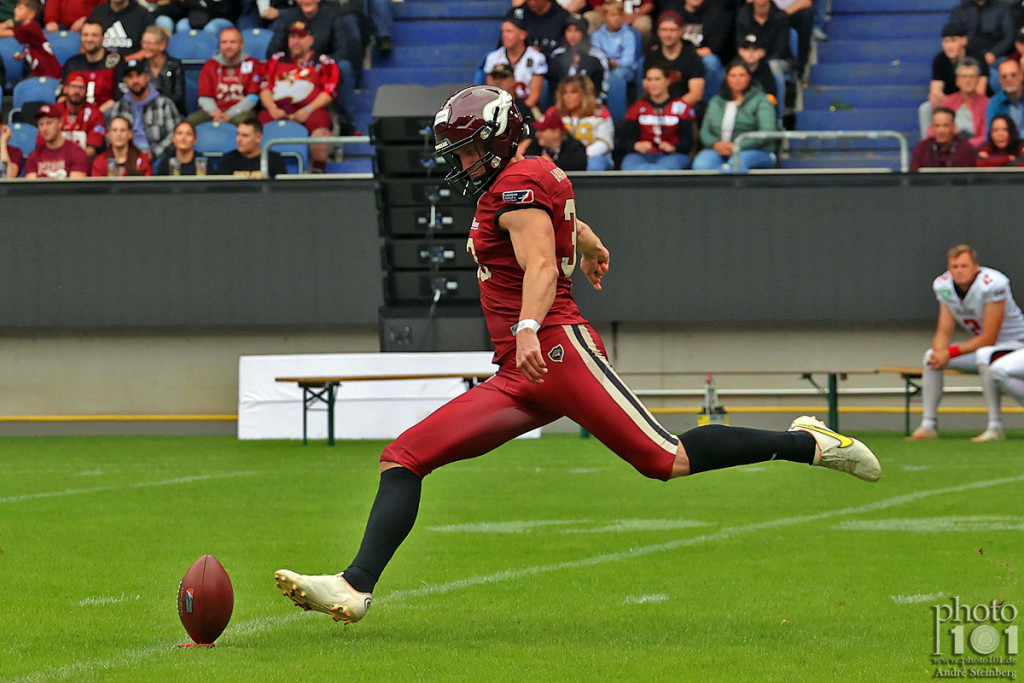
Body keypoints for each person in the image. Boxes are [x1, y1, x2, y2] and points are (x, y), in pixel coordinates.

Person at [272, 84, 881, 627]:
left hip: (556, 350)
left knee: (665, 460)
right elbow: (561, 224)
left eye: (469, 150)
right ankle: (355, 586)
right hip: (521, 372)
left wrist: (529, 327)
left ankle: (808, 443)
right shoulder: (524, 179)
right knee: (405, 456)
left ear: (500, 138)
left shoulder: (516, 186)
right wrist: (589, 245)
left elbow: (540, 262)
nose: (461, 163)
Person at [908, 244, 1024, 443]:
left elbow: (989, 338)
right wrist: (940, 352)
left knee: (986, 356)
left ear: (976, 267)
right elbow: (944, 330)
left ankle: (995, 426)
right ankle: (928, 425)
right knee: (930, 357)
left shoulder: (993, 283)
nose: (959, 271)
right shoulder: (943, 285)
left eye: (964, 266)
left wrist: (950, 352)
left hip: (1017, 346)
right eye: (954, 266)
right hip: (989, 350)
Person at [267, 0, 357, 134]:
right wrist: (292, 62)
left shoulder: (332, 14)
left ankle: (345, 120)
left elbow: (342, 49)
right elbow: (273, 51)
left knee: (344, 67)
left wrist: (322, 64)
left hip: (323, 64)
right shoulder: (288, 17)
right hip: (293, 65)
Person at [260, 20, 337, 171]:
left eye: (300, 37)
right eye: (292, 37)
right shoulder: (277, 60)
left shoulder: (323, 62)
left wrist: (308, 110)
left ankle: (318, 170)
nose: (295, 41)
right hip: (278, 109)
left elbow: (329, 92)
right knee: (255, 127)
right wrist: (272, 108)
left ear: (311, 40)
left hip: (311, 110)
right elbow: (264, 87)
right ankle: (259, 168)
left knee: (321, 128)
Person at [692, 59, 777, 173]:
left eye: (742, 75)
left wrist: (737, 146)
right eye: (733, 76)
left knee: (735, 165)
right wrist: (716, 144)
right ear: (727, 78)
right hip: (719, 149)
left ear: (749, 77)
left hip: (755, 150)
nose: (737, 79)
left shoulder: (761, 100)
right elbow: (705, 131)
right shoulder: (716, 101)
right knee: (701, 165)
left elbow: (767, 132)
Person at [919, 22, 989, 139]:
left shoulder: (977, 57)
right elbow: (935, 93)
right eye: (945, 41)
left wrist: (954, 101)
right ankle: (928, 143)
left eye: (953, 41)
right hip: (951, 101)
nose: (949, 46)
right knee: (925, 108)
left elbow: (978, 92)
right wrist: (941, 99)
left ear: (964, 41)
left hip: (974, 101)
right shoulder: (940, 59)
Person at [619, 63, 695, 170]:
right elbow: (624, 140)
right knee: (630, 166)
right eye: (649, 80)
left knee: (663, 169)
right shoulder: (636, 108)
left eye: (657, 79)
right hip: (642, 155)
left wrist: (673, 147)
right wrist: (636, 146)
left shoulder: (681, 107)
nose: (653, 84)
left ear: (667, 81)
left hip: (673, 155)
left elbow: (689, 140)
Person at [109, 59, 181, 160]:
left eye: (139, 75)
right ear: (126, 81)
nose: (135, 81)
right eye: (130, 77)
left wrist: (154, 153)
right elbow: (110, 136)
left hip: (158, 158)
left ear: (147, 77)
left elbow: (174, 134)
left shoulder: (164, 104)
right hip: (125, 157)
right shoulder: (119, 107)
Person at [188, 26, 260, 125]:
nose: (228, 46)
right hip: (214, 110)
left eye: (233, 42)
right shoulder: (210, 65)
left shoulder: (253, 64)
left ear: (241, 44)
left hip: (241, 111)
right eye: (224, 42)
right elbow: (204, 96)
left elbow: (253, 97)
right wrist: (214, 112)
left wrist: (229, 114)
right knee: (191, 121)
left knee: (243, 121)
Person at [482, 14, 547, 112]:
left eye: (509, 31)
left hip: (527, 108)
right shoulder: (493, 58)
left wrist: (519, 112)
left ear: (522, 35)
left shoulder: (536, 58)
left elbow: (534, 95)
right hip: (498, 107)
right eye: (503, 31)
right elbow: (490, 90)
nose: (504, 35)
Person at [62, 19, 129, 112]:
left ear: (103, 38)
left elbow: (120, 96)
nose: (89, 39)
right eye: (85, 35)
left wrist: (96, 115)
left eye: (94, 35)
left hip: (108, 113)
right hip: (78, 115)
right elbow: (62, 96)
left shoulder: (115, 61)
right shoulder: (72, 63)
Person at [549, 73, 613, 171]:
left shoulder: (600, 113)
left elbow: (604, 144)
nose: (568, 97)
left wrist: (578, 157)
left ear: (584, 94)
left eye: (573, 92)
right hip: (561, 159)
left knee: (595, 163)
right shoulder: (553, 114)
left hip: (593, 157)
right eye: (564, 93)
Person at [642, 11, 704, 107]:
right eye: (664, 30)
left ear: (681, 32)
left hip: (684, 107)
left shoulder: (692, 57)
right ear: (658, 32)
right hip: (656, 106)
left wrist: (672, 109)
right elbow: (647, 89)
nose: (668, 34)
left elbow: (696, 94)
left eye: (672, 30)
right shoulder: (651, 57)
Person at [546, 14, 608, 103]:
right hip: (561, 105)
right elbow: (552, 86)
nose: (572, 35)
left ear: (584, 33)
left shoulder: (597, 56)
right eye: (569, 30)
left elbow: (603, 89)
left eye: (577, 30)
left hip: (590, 105)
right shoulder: (557, 55)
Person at [928, 58, 988, 150]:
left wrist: (966, 146)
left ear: (977, 80)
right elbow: (931, 132)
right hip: (949, 148)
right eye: (963, 77)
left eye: (971, 77)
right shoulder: (947, 103)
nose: (967, 80)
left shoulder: (987, 104)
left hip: (975, 149)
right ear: (957, 80)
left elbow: (987, 135)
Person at [0, 0, 63, 81]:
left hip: (48, 72)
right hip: (39, 70)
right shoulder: (31, 26)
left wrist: (5, 25)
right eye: (16, 7)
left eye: (20, 8)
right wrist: (23, 55)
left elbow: (2, 33)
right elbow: (35, 47)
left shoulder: (28, 28)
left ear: (31, 14)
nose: (16, 10)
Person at [23, 103, 91, 177]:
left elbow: (76, 183)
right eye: (41, 124)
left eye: (49, 123)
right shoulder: (33, 156)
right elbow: (30, 183)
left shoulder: (77, 153)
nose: (44, 129)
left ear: (60, 123)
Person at [948, 0, 1014, 72]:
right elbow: (953, 35)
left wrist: (994, 53)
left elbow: (1010, 36)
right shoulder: (960, 10)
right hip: (967, 55)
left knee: (1007, 69)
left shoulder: (1002, 8)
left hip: (996, 56)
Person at [735, 0, 791, 83]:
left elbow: (781, 47)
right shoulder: (743, 14)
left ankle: (776, 91)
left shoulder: (781, 16)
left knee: (773, 65)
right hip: (750, 56)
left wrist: (761, 56)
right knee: (737, 67)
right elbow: (740, 41)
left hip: (776, 59)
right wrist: (749, 54)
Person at [52, 73, 107, 157]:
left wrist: (70, 158)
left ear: (86, 91)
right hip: (55, 160)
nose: (77, 91)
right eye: (73, 86)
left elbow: (93, 149)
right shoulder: (54, 112)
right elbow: (44, 145)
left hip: (84, 161)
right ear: (65, 89)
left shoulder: (96, 114)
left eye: (81, 87)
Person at [910, 107, 977, 171]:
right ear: (932, 127)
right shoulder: (922, 148)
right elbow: (914, 174)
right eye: (937, 126)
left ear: (953, 126)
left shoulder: (965, 148)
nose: (941, 130)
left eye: (945, 125)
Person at [215, 118, 286, 177]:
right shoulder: (226, 160)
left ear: (258, 138)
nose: (239, 139)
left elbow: (281, 187)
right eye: (238, 134)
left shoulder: (275, 159)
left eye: (245, 136)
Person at [139, 25, 185, 116]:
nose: (145, 46)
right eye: (143, 42)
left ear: (162, 45)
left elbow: (178, 97)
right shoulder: (140, 66)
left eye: (149, 43)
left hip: (171, 113)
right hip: (143, 112)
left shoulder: (175, 66)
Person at [523, 105, 587, 170]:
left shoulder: (575, 148)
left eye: (542, 130)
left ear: (556, 132)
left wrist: (551, 164)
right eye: (538, 130)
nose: (537, 134)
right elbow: (525, 163)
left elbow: (577, 166)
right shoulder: (535, 145)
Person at [589, 1, 637, 85]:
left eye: (620, 15)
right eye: (613, 15)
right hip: (602, 67)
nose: (617, 18)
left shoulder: (628, 35)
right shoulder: (596, 35)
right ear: (604, 17)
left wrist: (615, 63)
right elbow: (595, 57)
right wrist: (606, 63)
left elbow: (629, 60)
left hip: (624, 69)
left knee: (616, 74)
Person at [87, 0, 153, 60]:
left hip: (131, 65)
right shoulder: (97, 12)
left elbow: (149, 49)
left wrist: (121, 63)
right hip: (99, 65)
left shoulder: (143, 15)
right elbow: (87, 45)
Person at [583, 0, 652, 49]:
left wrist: (633, 16)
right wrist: (609, 17)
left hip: (635, 15)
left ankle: (642, 54)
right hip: (607, 14)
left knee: (643, 24)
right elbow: (597, 5)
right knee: (590, 17)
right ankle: (589, 52)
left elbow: (649, 4)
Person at [737, 33, 779, 109]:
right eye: (747, 49)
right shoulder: (734, 70)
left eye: (755, 49)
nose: (751, 53)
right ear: (740, 51)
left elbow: (771, 97)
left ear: (763, 52)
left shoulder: (767, 73)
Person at [485, 63, 534, 128]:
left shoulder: (521, 108)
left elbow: (531, 131)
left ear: (513, 80)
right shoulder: (484, 105)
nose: (498, 81)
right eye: (495, 77)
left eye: (503, 77)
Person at [986, 58, 1024, 133]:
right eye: (1004, 76)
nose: (1009, 80)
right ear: (1000, 80)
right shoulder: (994, 103)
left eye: (1013, 75)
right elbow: (991, 133)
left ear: (1021, 76)